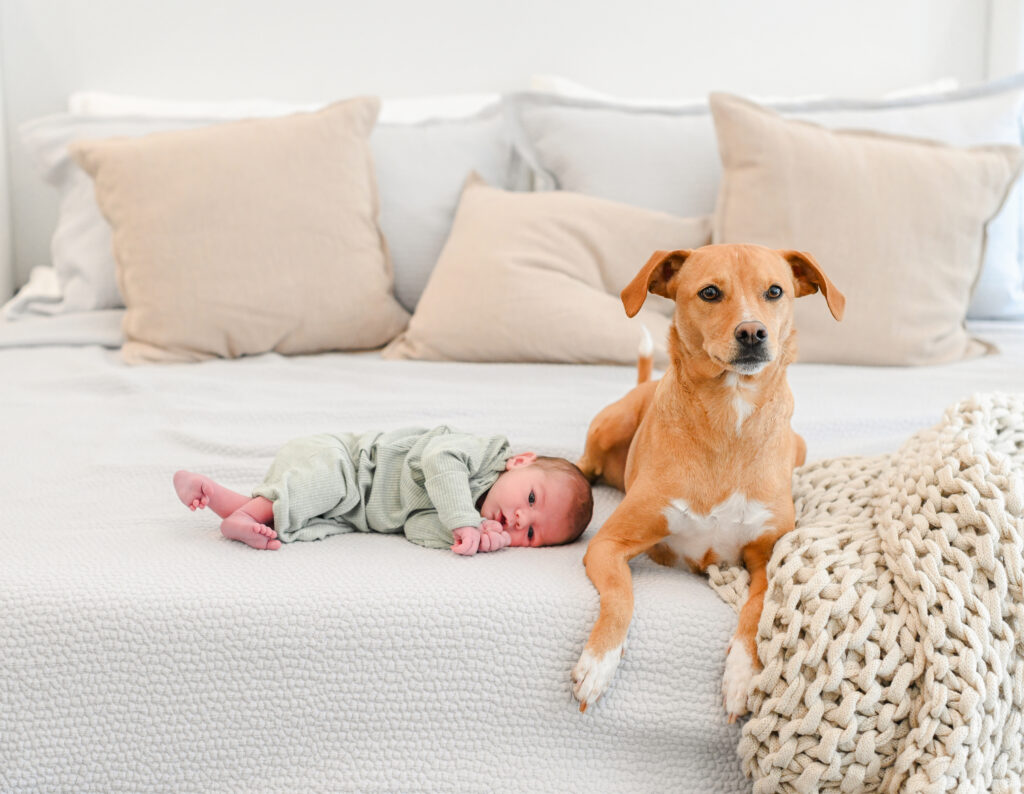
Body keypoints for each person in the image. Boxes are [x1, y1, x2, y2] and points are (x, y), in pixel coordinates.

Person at [173, 425, 593, 555]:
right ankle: (247, 516)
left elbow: (414, 527)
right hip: (349, 463)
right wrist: (464, 520)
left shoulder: (478, 517)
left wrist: (463, 536)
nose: (521, 519)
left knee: (304, 513)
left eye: (532, 533)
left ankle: (215, 496)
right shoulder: (477, 454)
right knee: (321, 484)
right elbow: (437, 463)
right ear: (520, 461)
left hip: (354, 507)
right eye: (532, 499)